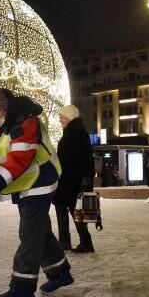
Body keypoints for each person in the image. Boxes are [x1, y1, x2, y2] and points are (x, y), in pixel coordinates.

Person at [0, 85, 73, 297]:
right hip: (23, 184)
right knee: (39, 230)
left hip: (40, 180)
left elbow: (20, 160)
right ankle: (60, 273)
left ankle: (22, 288)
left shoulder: (26, 121)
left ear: (5, 108)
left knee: (29, 234)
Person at [52, 104, 95, 253]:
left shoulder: (74, 134)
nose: (60, 120)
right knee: (70, 209)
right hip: (71, 181)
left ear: (69, 117)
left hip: (71, 181)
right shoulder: (76, 132)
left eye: (62, 117)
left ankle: (74, 242)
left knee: (73, 210)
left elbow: (78, 160)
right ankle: (77, 241)